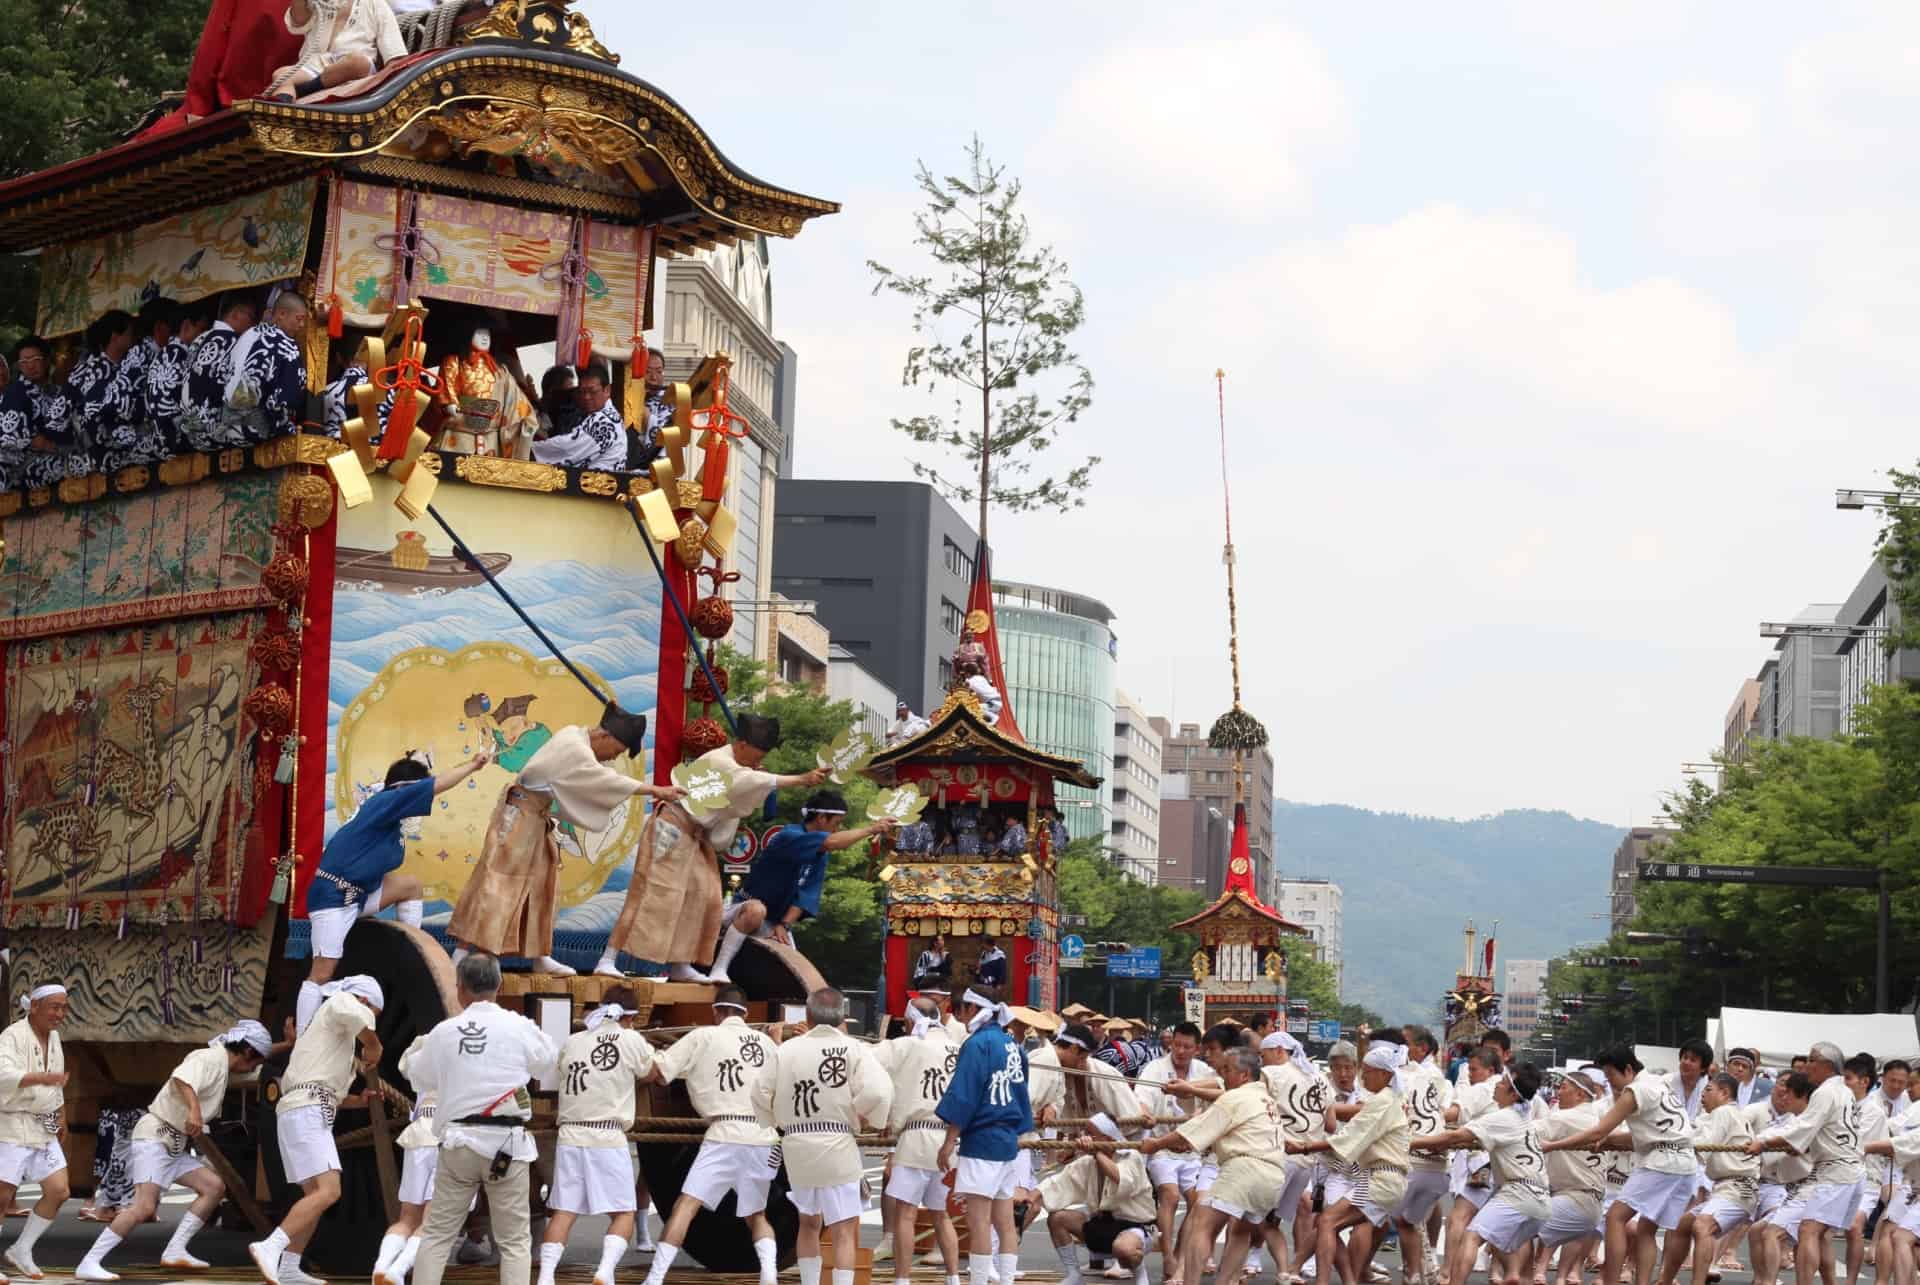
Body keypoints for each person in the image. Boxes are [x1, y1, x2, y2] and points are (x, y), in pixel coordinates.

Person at [453, 702, 680, 977]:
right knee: (498, 883)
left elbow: (594, 778)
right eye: (616, 751)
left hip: (535, 817)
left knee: (543, 884)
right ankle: (461, 956)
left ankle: (539, 956)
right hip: (519, 817)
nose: (611, 758)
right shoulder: (575, 746)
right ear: (606, 736)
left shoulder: (576, 738)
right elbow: (603, 779)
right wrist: (655, 789)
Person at [599, 715, 824, 982]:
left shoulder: (740, 770)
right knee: (647, 892)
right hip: (672, 827)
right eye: (757, 754)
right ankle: (607, 958)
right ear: (740, 744)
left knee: (703, 897)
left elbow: (745, 788)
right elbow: (746, 782)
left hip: (696, 837)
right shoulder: (718, 761)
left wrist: (758, 777)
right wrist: (800, 779)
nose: (757, 761)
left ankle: (680, 964)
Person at [303, 752, 491, 1031]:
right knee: (321, 973)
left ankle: (411, 949)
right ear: (405, 789)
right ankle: (302, 1041)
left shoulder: (389, 820)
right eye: (417, 790)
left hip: (358, 898)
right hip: (332, 898)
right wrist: (473, 766)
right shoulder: (387, 801)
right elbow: (437, 784)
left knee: (411, 886)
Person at [405, 953, 560, 1285]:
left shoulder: (444, 1032)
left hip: (459, 1143)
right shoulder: (519, 1026)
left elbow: (419, 1077)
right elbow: (547, 1061)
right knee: (515, 1242)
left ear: (460, 989)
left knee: (436, 1237)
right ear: (499, 985)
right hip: (506, 1144)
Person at [76, 1022, 273, 1281]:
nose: (252, 1069)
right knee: (143, 1207)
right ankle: (89, 1262)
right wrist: (194, 1110)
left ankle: (175, 1249)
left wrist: (287, 1046)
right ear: (247, 1052)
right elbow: (182, 1078)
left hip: (172, 1144)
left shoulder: (222, 1065)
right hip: (155, 1137)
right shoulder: (209, 1057)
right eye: (254, 1062)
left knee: (214, 1187)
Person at [641, 986, 782, 1285]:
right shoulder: (766, 1043)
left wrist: (636, 1045)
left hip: (725, 1132)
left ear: (716, 1012)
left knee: (685, 1206)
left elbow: (659, 1072)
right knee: (756, 1214)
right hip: (763, 1135)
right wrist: (777, 1041)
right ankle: (768, 1275)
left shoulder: (703, 1036)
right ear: (745, 1013)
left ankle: (654, 1279)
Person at [249, 975, 385, 1285]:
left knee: (314, 1196)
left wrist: (358, 1101)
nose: (370, 1023)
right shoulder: (341, 1002)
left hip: (302, 1109)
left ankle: (289, 1268)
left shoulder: (326, 1036)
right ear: (365, 1002)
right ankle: (270, 1246)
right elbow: (353, 1016)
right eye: (373, 1015)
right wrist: (374, 1045)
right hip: (308, 1110)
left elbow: (329, 1091)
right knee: (329, 1191)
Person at [756, 988, 891, 1285]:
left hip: (796, 1144)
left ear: (807, 1015)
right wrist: (865, 1116)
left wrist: (775, 1122)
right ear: (843, 1016)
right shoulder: (854, 1048)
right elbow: (880, 1091)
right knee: (843, 1229)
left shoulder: (786, 1050)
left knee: (808, 1223)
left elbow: (759, 1092)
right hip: (837, 1142)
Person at [704, 789, 895, 984]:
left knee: (794, 978)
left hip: (775, 922)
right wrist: (871, 830)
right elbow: (832, 842)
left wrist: (784, 925)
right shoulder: (788, 835)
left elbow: (805, 895)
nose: (838, 829)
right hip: (742, 911)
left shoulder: (822, 854)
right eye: (836, 823)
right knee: (756, 910)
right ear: (821, 818)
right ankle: (719, 969)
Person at [1544, 1045, 1697, 1285]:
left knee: (1615, 1217)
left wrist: (1552, 1145)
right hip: (1685, 1164)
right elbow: (1643, 1135)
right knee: (1646, 1228)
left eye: (1610, 1076)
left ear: (1627, 1069)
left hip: (1662, 1162)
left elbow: (1598, 1130)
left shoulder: (1634, 1090)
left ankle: (1611, 1281)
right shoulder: (1660, 1084)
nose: (1610, 1083)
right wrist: (1607, 1139)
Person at [534, 988, 656, 1285]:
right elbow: (653, 1072)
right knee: (623, 1213)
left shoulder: (574, 1041)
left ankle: (547, 1275)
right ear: (631, 1017)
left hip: (570, 1135)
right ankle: (605, 1271)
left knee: (563, 1211)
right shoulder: (631, 1039)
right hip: (607, 1136)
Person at [1286, 1043, 1411, 1285]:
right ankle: (1341, 1278)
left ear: (1385, 1074)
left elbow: (1345, 1136)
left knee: (1328, 1221)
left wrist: (1303, 1146)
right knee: (1330, 1222)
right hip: (1372, 1175)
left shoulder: (1381, 1100)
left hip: (1376, 1177)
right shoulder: (1386, 1098)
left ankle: (1318, 1276)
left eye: (1366, 1070)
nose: (1362, 1076)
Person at [1415, 1063, 1550, 1285]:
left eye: (1503, 1082)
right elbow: (1465, 1139)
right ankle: (1516, 1276)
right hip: (1541, 1200)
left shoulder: (1502, 1117)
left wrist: (1410, 1143)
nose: (1497, 1084)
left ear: (1513, 1094)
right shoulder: (1523, 1118)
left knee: (1472, 1235)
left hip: (1518, 1193)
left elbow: (1453, 1137)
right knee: (1507, 1244)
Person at [1746, 1043, 1867, 1285]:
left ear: (1827, 1065)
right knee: (1820, 1235)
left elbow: (1803, 1129)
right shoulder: (1844, 1092)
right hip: (1850, 1170)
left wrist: (1764, 1144)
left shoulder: (1825, 1092)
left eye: (1812, 1060)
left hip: (1836, 1171)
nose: (1807, 1065)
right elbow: (1810, 1134)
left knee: (1808, 1231)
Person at [935, 985, 1032, 1285]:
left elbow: (965, 1095)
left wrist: (949, 1140)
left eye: (961, 1007)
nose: (958, 1013)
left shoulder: (977, 1044)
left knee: (978, 1224)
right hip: (1007, 1142)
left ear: (974, 1009)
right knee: (1004, 1223)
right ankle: (1006, 1282)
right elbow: (1021, 1091)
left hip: (981, 1142)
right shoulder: (1011, 1044)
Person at [874, 997, 963, 1285]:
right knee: (940, 1214)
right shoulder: (957, 1047)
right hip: (949, 1139)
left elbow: (866, 1059)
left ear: (911, 1020)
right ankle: (953, 1278)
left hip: (916, 1137)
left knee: (905, 1213)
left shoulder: (907, 1044)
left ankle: (902, 1280)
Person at [1653, 1073, 1759, 1285]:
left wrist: (1668, 1145)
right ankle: (1665, 1280)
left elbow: (1704, 1146)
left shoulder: (1724, 1112)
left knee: (1702, 1225)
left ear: (1725, 1093)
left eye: (1708, 1090)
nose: (1703, 1095)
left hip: (1739, 1187)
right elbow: (1696, 1136)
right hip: (1726, 1187)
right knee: (1683, 1224)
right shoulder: (1725, 1114)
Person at [1135, 1022, 1221, 1279]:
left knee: (1198, 1203)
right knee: (1169, 1196)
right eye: (1177, 1045)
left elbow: (1221, 1093)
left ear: (1197, 1049)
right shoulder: (1155, 1069)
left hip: (1194, 1151)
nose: (1180, 1051)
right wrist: (1145, 1113)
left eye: (1187, 1047)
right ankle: (1168, 1257)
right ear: (1170, 1043)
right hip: (1162, 1147)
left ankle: (1182, 1254)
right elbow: (1141, 1099)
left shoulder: (1204, 1071)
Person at [0, 985, 73, 1281]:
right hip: (12, 1122)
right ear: (34, 1007)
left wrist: (62, 1115)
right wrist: (42, 1078)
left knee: (59, 1191)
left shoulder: (55, 1037)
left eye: (63, 1008)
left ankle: (21, 1249)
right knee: (2, 1196)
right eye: (54, 1007)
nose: (59, 1014)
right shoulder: (12, 1036)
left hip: (43, 1123)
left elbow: (58, 1081)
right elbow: (2, 1075)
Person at [1044, 1121, 1159, 1285]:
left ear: (1107, 1136)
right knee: (1057, 1218)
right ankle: (1074, 1275)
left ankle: (1141, 1274)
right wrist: (1032, 1197)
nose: (1086, 1137)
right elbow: (1057, 1183)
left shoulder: (1131, 1156)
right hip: (1100, 1225)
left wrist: (1097, 1153)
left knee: (1125, 1250)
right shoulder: (1088, 1160)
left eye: (1091, 1134)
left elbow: (1120, 1178)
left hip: (1135, 1227)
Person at [1259, 1030, 1327, 1283]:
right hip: (1306, 1162)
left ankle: (1232, 1274)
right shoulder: (1318, 1077)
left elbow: (1255, 1105)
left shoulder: (1272, 1073)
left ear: (1278, 1051)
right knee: (1269, 1222)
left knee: (1245, 1217)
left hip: (1279, 1157)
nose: (1262, 1061)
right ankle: (1284, 1271)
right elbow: (1330, 1123)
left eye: (1263, 1055)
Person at [372, 1035, 440, 1285]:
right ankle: (397, 1271)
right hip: (446, 1137)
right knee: (433, 1222)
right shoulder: (462, 1057)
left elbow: (405, 1063)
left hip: (418, 1135)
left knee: (407, 1219)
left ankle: (381, 1267)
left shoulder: (418, 1064)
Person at [1531, 1066, 1608, 1285]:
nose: (1558, 1092)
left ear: (1580, 1094)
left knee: (1518, 1222)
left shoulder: (1566, 1117)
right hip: (1586, 1202)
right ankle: (1546, 1275)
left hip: (1575, 1199)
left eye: (1563, 1087)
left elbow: (1527, 1131)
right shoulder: (1600, 1119)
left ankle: (1523, 1275)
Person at [1392, 1024, 1455, 1285]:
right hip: (1434, 1161)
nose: (1400, 1048)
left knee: (1403, 1218)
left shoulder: (1419, 1075)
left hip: (1417, 1155)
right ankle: (1418, 1270)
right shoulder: (1408, 1073)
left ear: (1422, 1048)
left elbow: (1446, 1112)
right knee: (1411, 1217)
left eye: (1404, 1043)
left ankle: (1421, 1267)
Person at [269, 0, 405, 100]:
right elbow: (298, 22)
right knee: (280, 75)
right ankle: (281, 121)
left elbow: (395, 54)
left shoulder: (376, 4)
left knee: (356, 61)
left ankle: (303, 90)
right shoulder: (319, 3)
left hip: (353, 67)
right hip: (316, 67)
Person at [1751, 1075, 1815, 1285]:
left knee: (1772, 1233)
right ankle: (1762, 1280)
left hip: (1814, 1188)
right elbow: (1773, 1135)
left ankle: (1769, 1281)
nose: (1783, 1096)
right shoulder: (1793, 1120)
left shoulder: (1809, 1122)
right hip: (1796, 1189)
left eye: (1789, 1093)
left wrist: (1761, 1144)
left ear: (1803, 1096)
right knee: (1757, 1230)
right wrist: (1757, 1143)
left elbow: (1782, 1139)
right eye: (1782, 1091)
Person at [438, 324, 539, 458]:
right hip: (460, 435)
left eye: (487, 334)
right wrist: (450, 404)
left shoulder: (500, 371)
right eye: (479, 333)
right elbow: (447, 387)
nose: (485, 338)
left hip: (491, 440)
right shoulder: (454, 361)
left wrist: (527, 419)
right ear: (468, 335)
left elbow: (516, 400)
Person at [225, 290, 310, 442]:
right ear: (282, 314)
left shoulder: (249, 334)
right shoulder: (285, 344)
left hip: (226, 428)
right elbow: (281, 400)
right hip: (256, 430)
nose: (302, 325)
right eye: (299, 319)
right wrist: (287, 429)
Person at [67, 310, 142, 476]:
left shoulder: (122, 367)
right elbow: (95, 415)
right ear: (115, 337)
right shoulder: (91, 370)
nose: (134, 338)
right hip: (100, 452)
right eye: (130, 333)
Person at [183, 293, 259, 450]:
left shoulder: (199, 339)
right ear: (236, 314)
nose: (253, 324)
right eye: (251, 317)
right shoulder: (234, 342)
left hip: (190, 433)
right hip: (215, 432)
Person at [0, 336, 75, 491]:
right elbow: (14, 437)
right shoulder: (16, 392)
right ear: (19, 366)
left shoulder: (57, 392)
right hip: (27, 467)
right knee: (85, 464)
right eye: (24, 362)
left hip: (62, 454)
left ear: (47, 360)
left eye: (35, 359)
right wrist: (55, 448)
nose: (30, 366)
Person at [531, 364, 627, 470]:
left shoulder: (604, 422)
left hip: (599, 483)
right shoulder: (606, 415)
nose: (586, 397)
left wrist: (526, 448)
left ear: (607, 390)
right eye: (582, 392)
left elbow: (566, 448)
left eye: (592, 391)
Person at [625, 347, 668, 471]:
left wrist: (647, 417)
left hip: (656, 467)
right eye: (648, 371)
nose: (654, 377)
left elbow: (666, 435)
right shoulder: (625, 395)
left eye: (659, 372)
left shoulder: (669, 400)